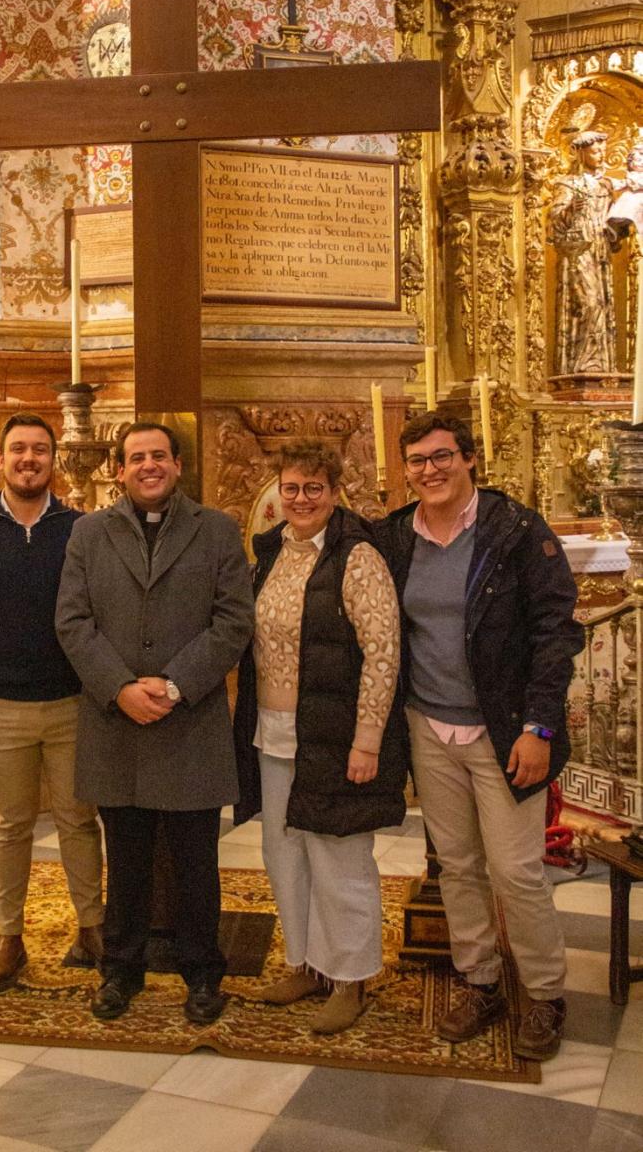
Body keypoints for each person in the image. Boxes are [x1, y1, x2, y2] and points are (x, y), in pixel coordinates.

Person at [374, 412, 583, 1061]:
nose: (428, 471)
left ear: (468, 460)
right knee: (457, 865)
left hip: (503, 730)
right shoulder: (395, 537)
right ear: (404, 470)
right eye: (416, 461)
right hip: (427, 724)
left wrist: (537, 726)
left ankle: (545, 994)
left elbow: (555, 632)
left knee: (515, 871)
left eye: (441, 457)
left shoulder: (512, 530)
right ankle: (479, 980)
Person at [55, 421, 254, 1025]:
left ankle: (202, 972)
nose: (148, 466)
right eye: (136, 457)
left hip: (188, 721)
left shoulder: (216, 529)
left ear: (177, 465)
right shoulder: (89, 533)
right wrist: (119, 687)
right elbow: (73, 621)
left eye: (159, 456)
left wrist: (172, 685)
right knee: (129, 859)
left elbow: (233, 622)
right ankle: (121, 969)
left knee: (197, 862)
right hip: (116, 723)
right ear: (119, 469)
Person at [233, 442, 405, 1033]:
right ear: (277, 493)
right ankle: (306, 963)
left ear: (334, 494)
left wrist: (367, 740)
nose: (301, 499)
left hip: (333, 737)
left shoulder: (357, 558)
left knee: (339, 857)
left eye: (313, 488)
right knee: (284, 854)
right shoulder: (272, 553)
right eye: (291, 488)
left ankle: (352, 979)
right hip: (274, 734)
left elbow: (384, 654)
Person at [0, 414, 104, 992]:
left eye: (39, 449)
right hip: (0, 702)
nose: (28, 458)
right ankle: (8, 937)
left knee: (78, 821)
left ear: (53, 459)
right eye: (18, 449)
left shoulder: (82, 529)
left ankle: (92, 927)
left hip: (71, 701)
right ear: (1, 459)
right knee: (9, 824)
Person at [550, 130, 621, 376]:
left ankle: (600, 364)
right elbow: (555, 221)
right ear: (581, 153)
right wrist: (571, 209)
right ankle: (580, 364)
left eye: (603, 150)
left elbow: (613, 220)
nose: (600, 155)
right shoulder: (567, 184)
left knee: (601, 303)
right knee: (588, 304)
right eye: (594, 151)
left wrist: (620, 227)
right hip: (578, 250)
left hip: (601, 250)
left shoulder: (606, 185)